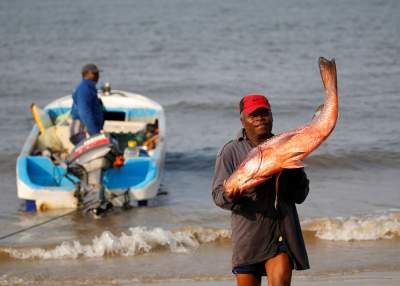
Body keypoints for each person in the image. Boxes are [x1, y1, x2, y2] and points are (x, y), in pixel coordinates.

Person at [212, 94, 310, 286]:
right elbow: (217, 195)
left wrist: (288, 169)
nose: (259, 118)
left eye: (264, 113)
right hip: (248, 237)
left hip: (281, 232)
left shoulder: (286, 145)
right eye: (253, 115)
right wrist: (233, 195)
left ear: (272, 116)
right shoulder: (230, 152)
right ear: (243, 119)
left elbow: (301, 195)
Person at [70, 63, 104, 145]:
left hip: (86, 130)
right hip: (82, 131)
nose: (98, 76)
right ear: (88, 73)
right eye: (95, 73)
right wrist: (95, 134)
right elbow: (85, 113)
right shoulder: (84, 89)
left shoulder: (88, 88)